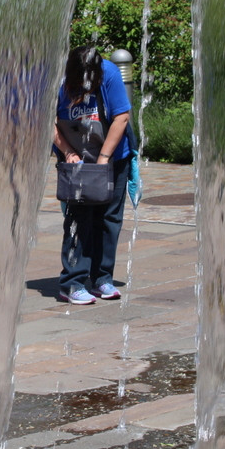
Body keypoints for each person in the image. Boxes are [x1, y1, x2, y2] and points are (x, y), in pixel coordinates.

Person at [52, 46, 132, 305]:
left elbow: (121, 117)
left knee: (109, 218)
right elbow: (46, 120)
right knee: (79, 218)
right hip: (76, 156)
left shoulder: (108, 73)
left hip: (112, 155)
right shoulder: (59, 79)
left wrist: (104, 159)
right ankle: (73, 282)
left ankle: (101, 278)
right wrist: (67, 153)